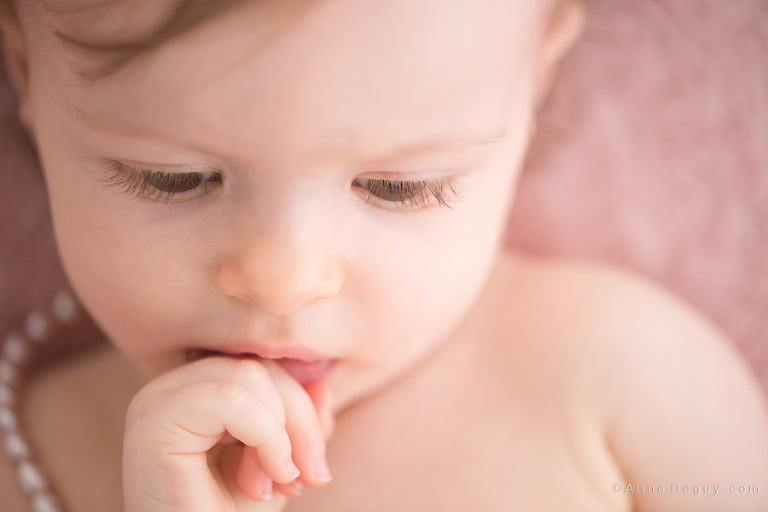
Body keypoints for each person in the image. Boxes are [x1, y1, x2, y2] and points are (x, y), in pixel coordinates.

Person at [1, 0, 767, 510]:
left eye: (399, 188)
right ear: (27, 72)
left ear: (531, 81)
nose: (285, 281)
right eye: (174, 178)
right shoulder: (23, 464)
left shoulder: (625, 379)